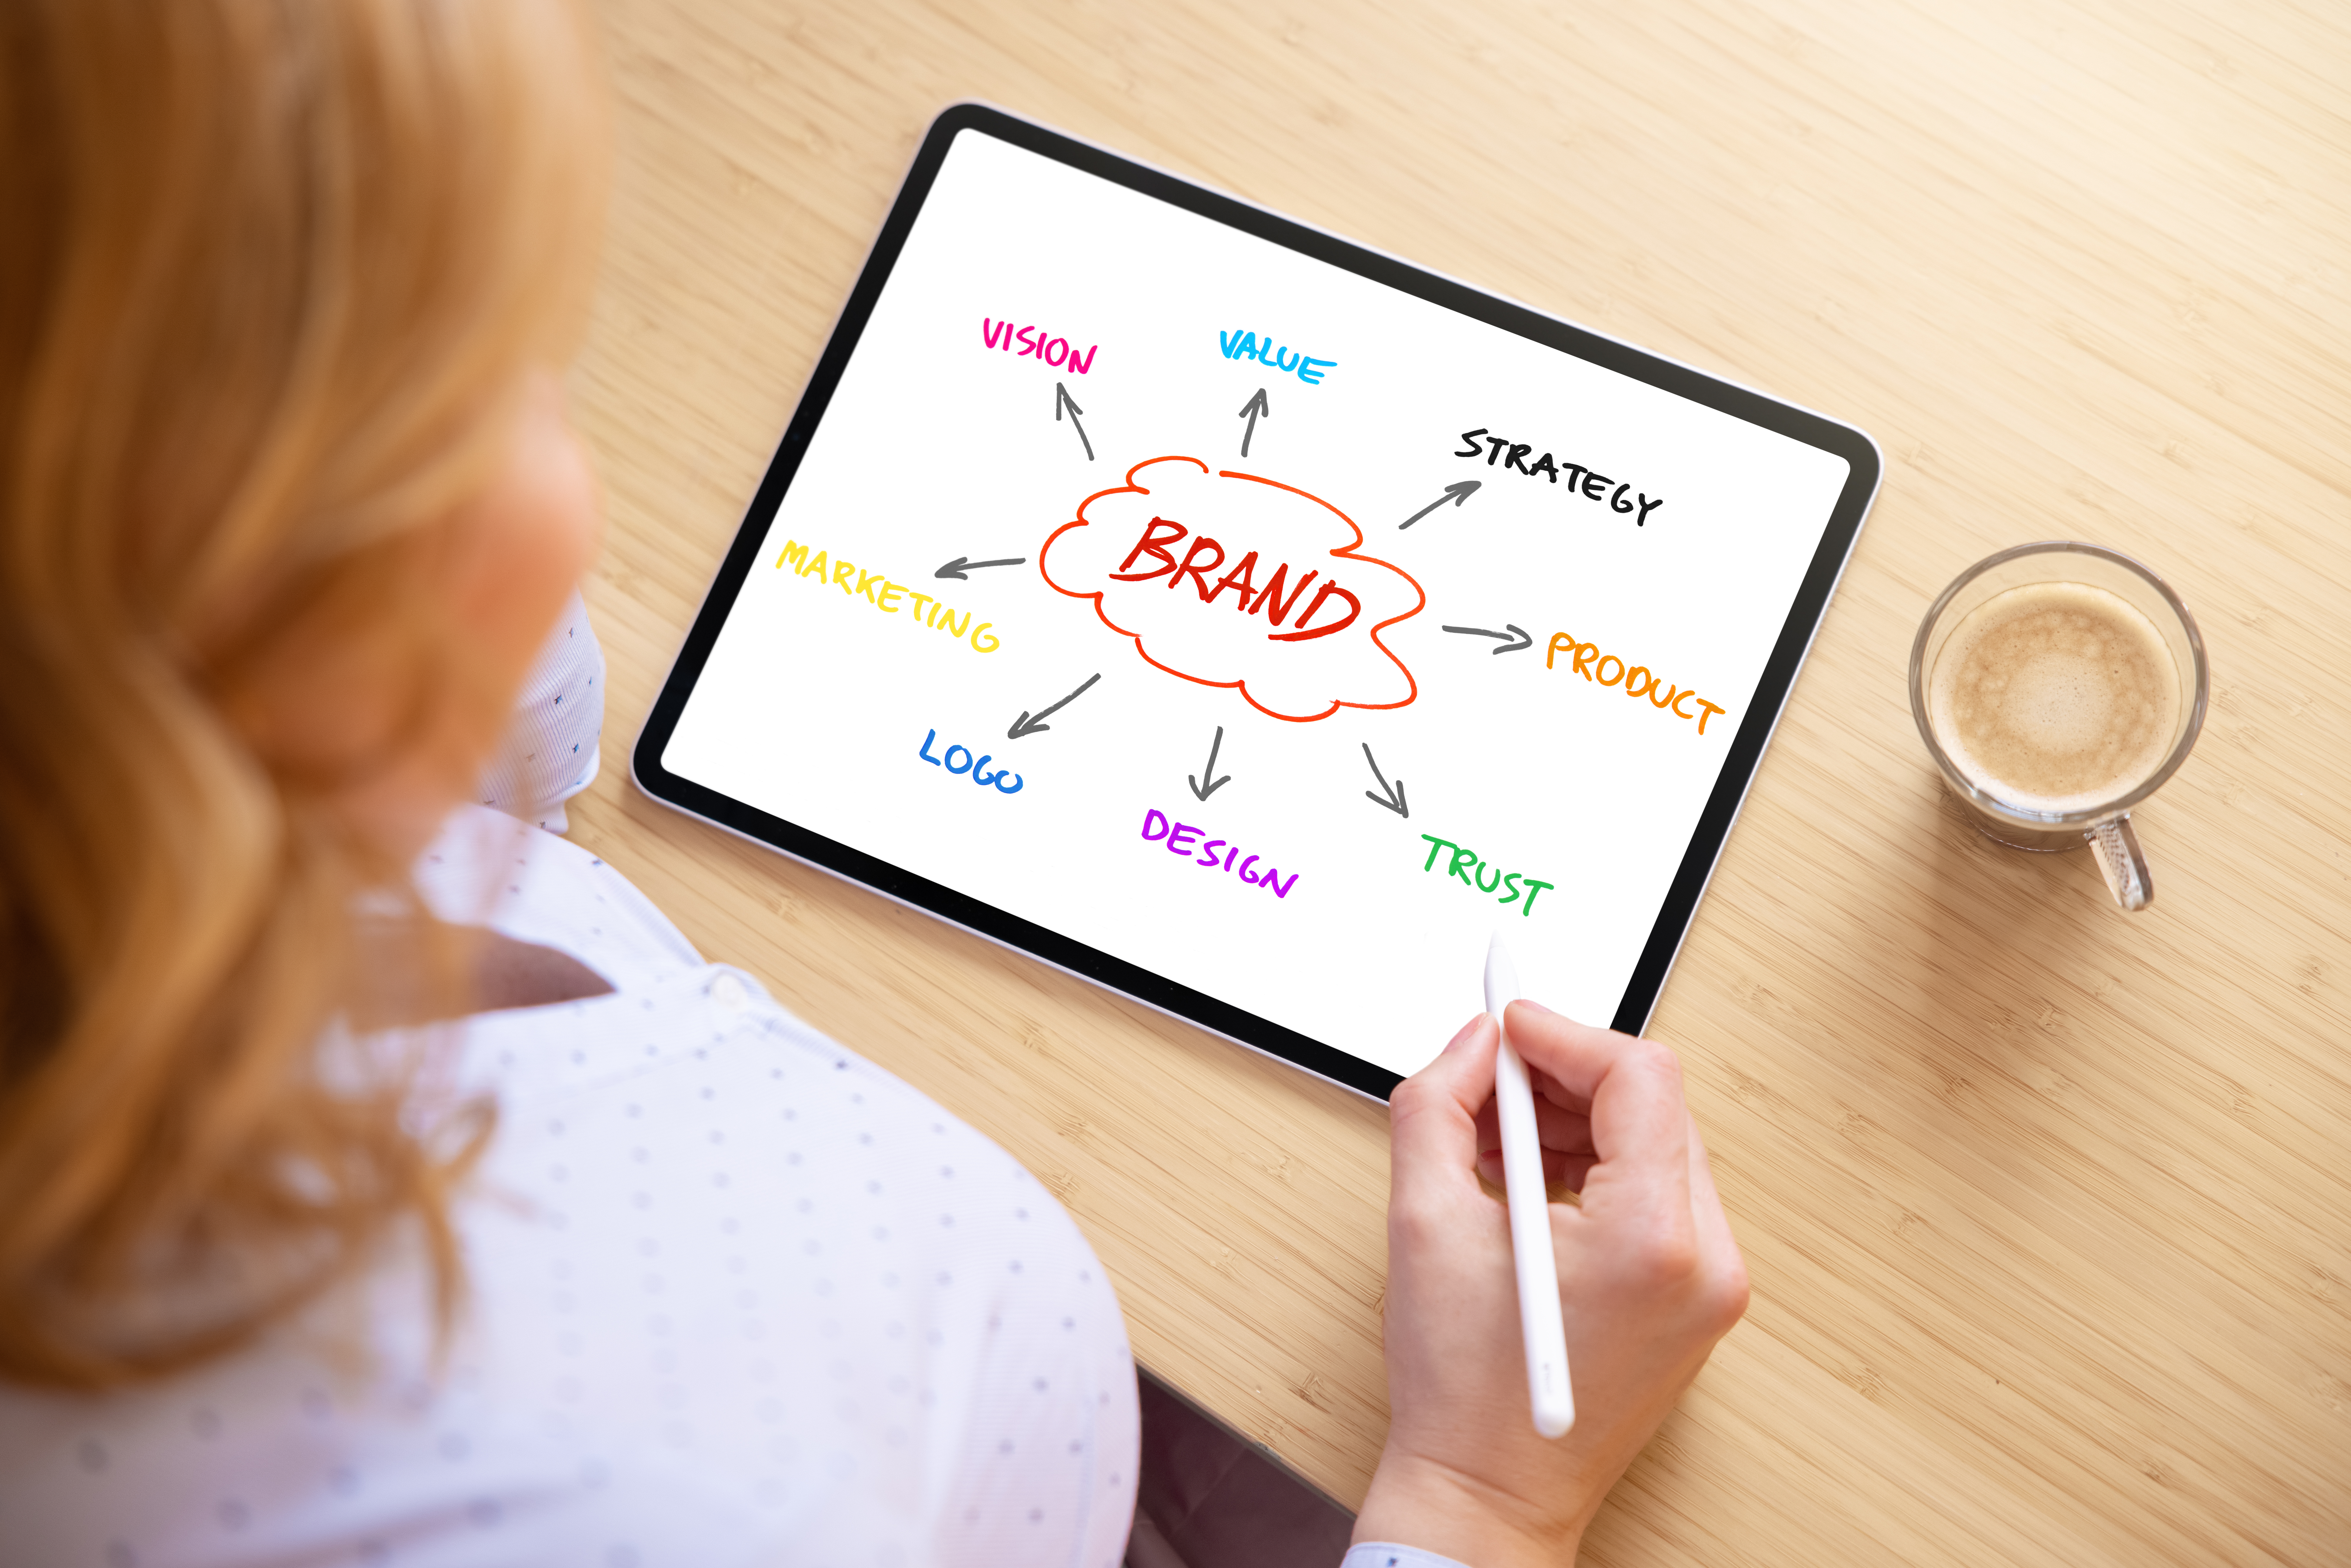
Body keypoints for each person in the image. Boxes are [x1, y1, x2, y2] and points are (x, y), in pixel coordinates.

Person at [0, 3, 1746, 1564]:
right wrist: (1481, 1504)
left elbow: (507, 787)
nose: (561, 451)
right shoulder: (598, 1506)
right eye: (475, 381)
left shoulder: (174, 819)